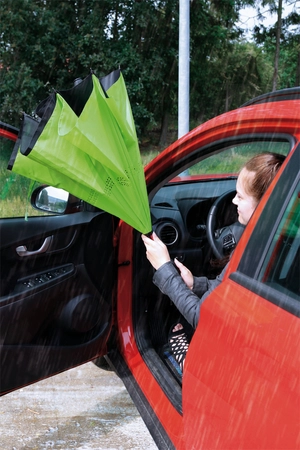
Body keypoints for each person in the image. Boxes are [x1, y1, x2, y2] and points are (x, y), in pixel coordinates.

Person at [141, 152, 285, 370]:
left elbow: (203, 317)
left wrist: (164, 268)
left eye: (240, 196)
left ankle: (192, 368)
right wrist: (195, 284)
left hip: (246, 342)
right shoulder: (276, 241)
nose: (234, 200)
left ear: (264, 204)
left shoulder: (254, 252)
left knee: (177, 336)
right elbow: (230, 289)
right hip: (260, 328)